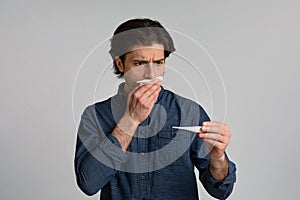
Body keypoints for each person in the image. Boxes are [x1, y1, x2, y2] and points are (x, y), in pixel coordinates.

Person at [74, 18, 236, 200]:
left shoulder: (189, 112)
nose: (151, 74)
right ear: (120, 64)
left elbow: (221, 191)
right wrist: (130, 120)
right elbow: (88, 184)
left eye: (158, 62)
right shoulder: (95, 116)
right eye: (139, 63)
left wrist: (218, 159)